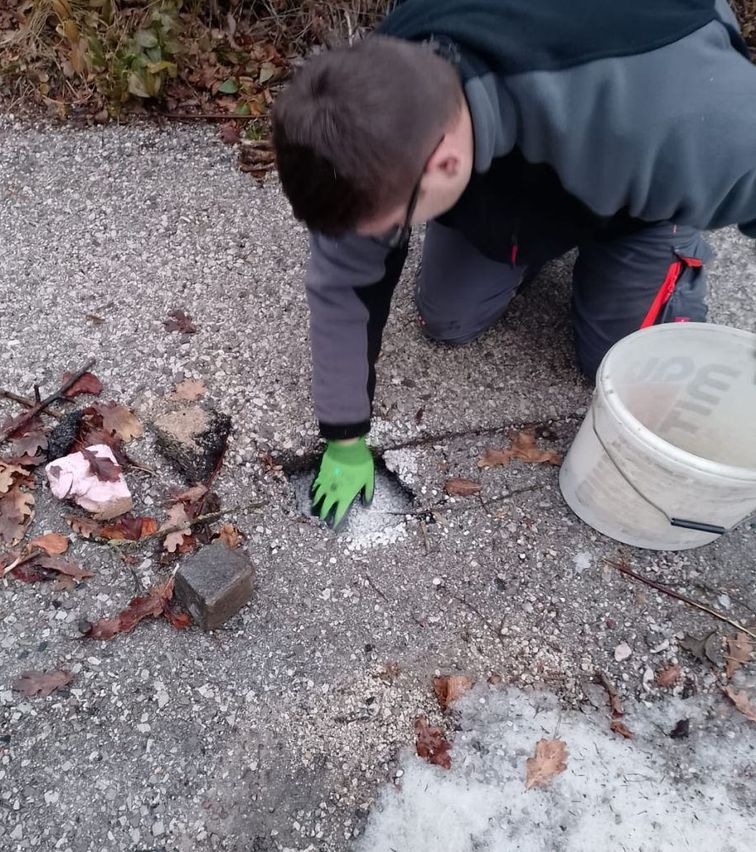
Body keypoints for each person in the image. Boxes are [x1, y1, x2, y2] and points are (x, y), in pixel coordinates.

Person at [271, 0, 756, 528]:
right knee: (447, 317)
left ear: (445, 163)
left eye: (392, 222)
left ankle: (655, 239)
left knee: (622, 372)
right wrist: (345, 434)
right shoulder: (379, 95)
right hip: (526, 176)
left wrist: (671, 194)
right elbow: (344, 276)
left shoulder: (686, 124)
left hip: (638, 187)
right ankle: (536, 237)